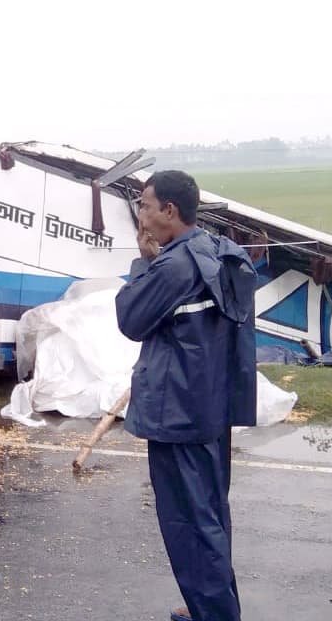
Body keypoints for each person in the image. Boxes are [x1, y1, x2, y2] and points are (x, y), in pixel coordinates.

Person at [115, 170, 257, 621]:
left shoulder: (174, 267)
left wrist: (143, 263)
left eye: (145, 204)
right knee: (210, 517)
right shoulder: (216, 251)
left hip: (177, 413)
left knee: (188, 525)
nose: (141, 214)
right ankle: (209, 607)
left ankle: (214, 615)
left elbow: (130, 318)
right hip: (211, 409)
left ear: (169, 211)